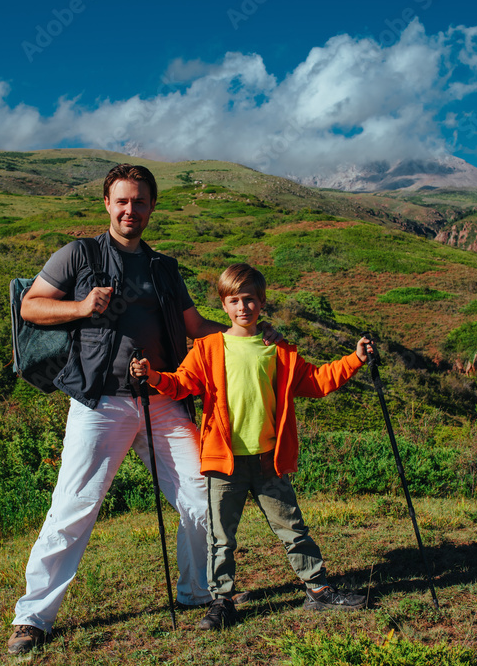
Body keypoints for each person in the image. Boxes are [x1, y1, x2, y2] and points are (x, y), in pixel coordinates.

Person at [7, 165, 278, 656]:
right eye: (122, 201)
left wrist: (249, 332)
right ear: (107, 204)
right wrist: (82, 307)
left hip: (163, 399)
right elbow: (31, 307)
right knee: (74, 507)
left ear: (153, 207)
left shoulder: (163, 268)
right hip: (100, 400)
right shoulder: (78, 254)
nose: (131, 210)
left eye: (141, 202)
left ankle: (199, 594)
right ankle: (32, 619)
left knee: (201, 498)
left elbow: (195, 325)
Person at [130, 262, 372, 631]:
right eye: (234, 300)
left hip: (268, 460)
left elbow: (318, 381)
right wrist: (152, 378)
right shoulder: (209, 347)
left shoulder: (279, 351)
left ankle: (319, 589)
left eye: (250, 300)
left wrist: (354, 359)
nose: (243, 307)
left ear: (261, 302)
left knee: (292, 528)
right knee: (220, 538)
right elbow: (181, 385)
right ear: (223, 306)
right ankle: (221, 602)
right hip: (223, 462)